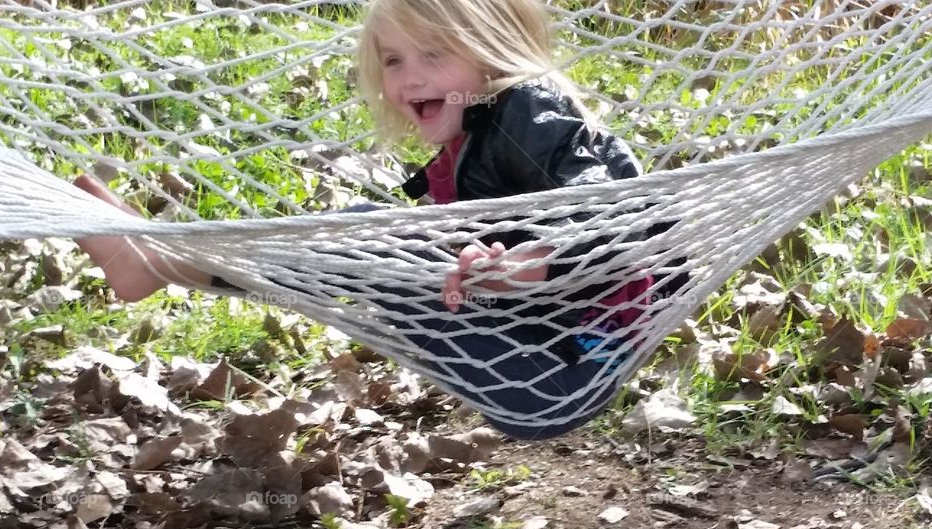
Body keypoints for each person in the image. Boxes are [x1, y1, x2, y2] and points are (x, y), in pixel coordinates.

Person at [74, 0, 681, 439]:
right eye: (392, 59)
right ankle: (164, 263)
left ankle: (161, 262)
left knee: (371, 235)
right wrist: (480, 263)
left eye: (433, 52)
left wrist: (537, 260)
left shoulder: (530, 110)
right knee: (370, 240)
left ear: (493, 50)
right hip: (526, 356)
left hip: (567, 368)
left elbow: (617, 210)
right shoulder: (467, 143)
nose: (409, 76)